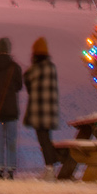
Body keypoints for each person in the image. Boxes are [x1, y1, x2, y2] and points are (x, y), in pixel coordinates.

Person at [0, 36, 22, 179]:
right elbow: (19, 86)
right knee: (11, 140)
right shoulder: (15, 67)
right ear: (8, 49)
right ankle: (11, 169)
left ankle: (0, 169)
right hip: (11, 109)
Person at [23, 37, 60, 176]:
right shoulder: (51, 67)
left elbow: (28, 82)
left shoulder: (35, 69)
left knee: (43, 140)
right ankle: (51, 166)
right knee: (47, 138)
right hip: (50, 110)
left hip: (39, 110)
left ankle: (50, 168)